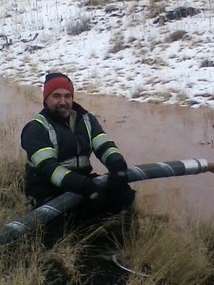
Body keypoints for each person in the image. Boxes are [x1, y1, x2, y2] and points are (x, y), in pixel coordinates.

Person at [20, 72, 136, 219]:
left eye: (67, 96)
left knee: (124, 195)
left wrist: (117, 165)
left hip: (82, 183)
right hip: (48, 192)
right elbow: (49, 169)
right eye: (56, 96)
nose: (63, 101)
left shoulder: (87, 120)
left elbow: (105, 146)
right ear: (46, 99)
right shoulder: (36, 128)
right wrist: (84, 186)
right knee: (73, 223)